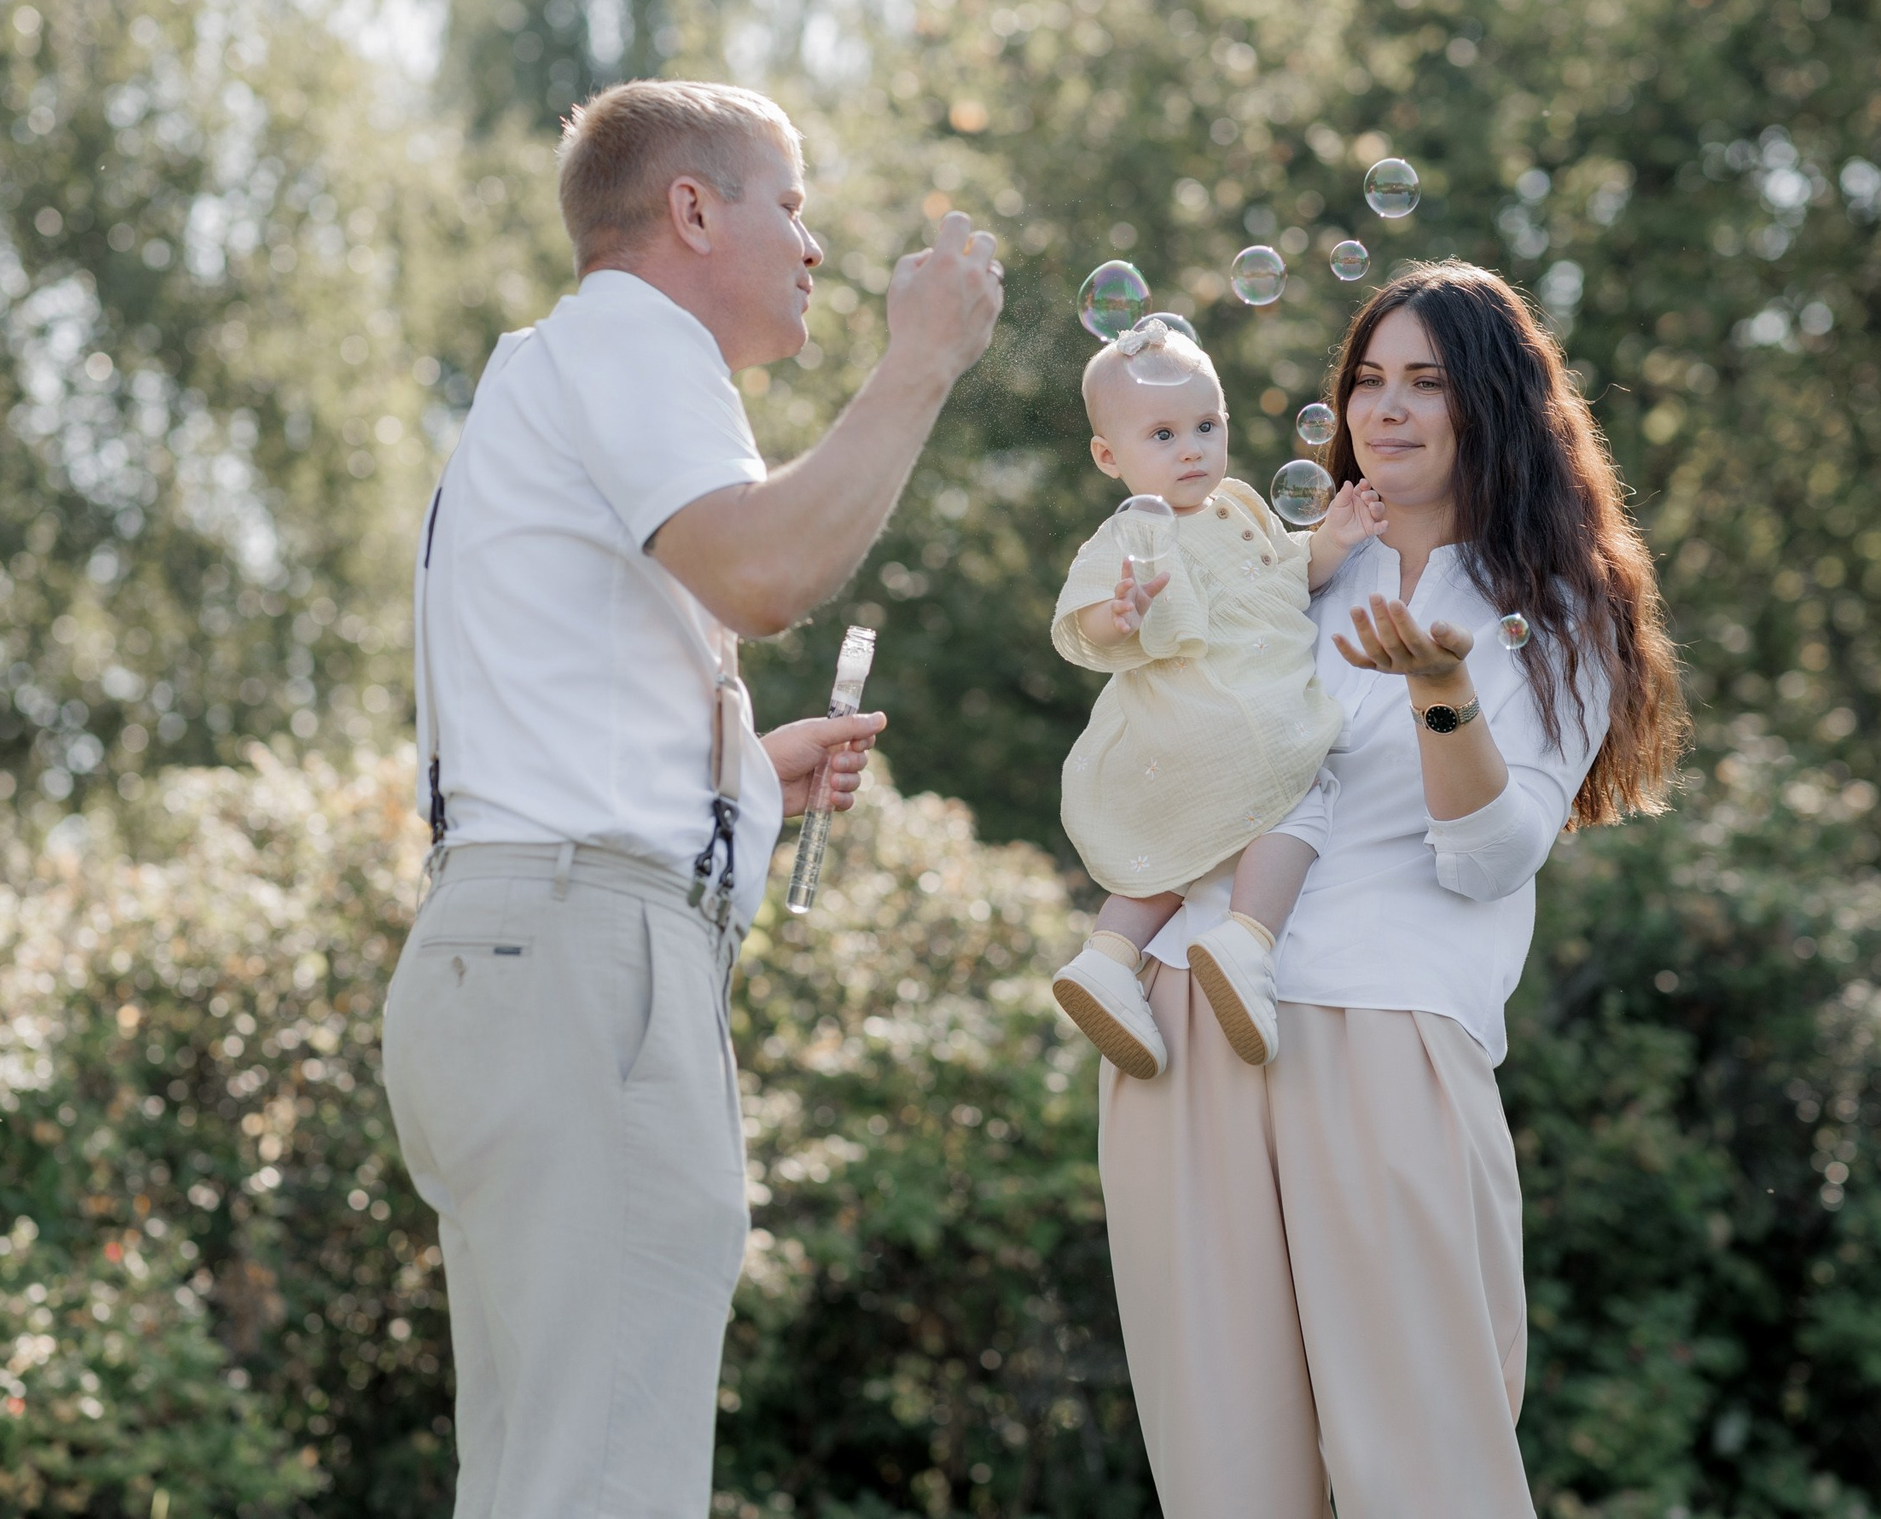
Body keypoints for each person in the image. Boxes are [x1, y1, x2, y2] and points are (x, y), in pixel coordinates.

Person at [382, 79, 1003, 1519]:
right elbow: (766, 571)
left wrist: (739, 774)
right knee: (602, 1482)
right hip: (582, 956)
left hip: (522, 947)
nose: (815, 247)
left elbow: (580, 685)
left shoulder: (557, 370)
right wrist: (919, 363)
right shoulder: (634, 336)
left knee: (553, 1472)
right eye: (793, 205)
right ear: (692, 210)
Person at [1097, 261, 1688, 1518]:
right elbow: (1162, 748)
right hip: (1185, 1024)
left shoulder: (1562, 608)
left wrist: (1441, 694)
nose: (1386, 408)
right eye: (1368, 379)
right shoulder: (1281, 567)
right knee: (1227, 1485)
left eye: (1426, 381)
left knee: (1426, 1477)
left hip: (1384, 1034)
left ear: (1494, 406)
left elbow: (1487, 856)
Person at [1046, 327, 1379, 1079]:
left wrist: (1332, 538)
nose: (1192, 448)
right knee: (1302, 792)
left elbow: (1288, 575)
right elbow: (1085, 617)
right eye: (1162, 434)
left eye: (1206, 425)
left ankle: (1106, 957)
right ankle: (1247, 941)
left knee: (1168, 845)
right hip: (1243, 721)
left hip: (1177, 743)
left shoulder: (1238, 505)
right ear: (1110, 457)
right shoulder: (1135, 529)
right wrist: (1121, 609)